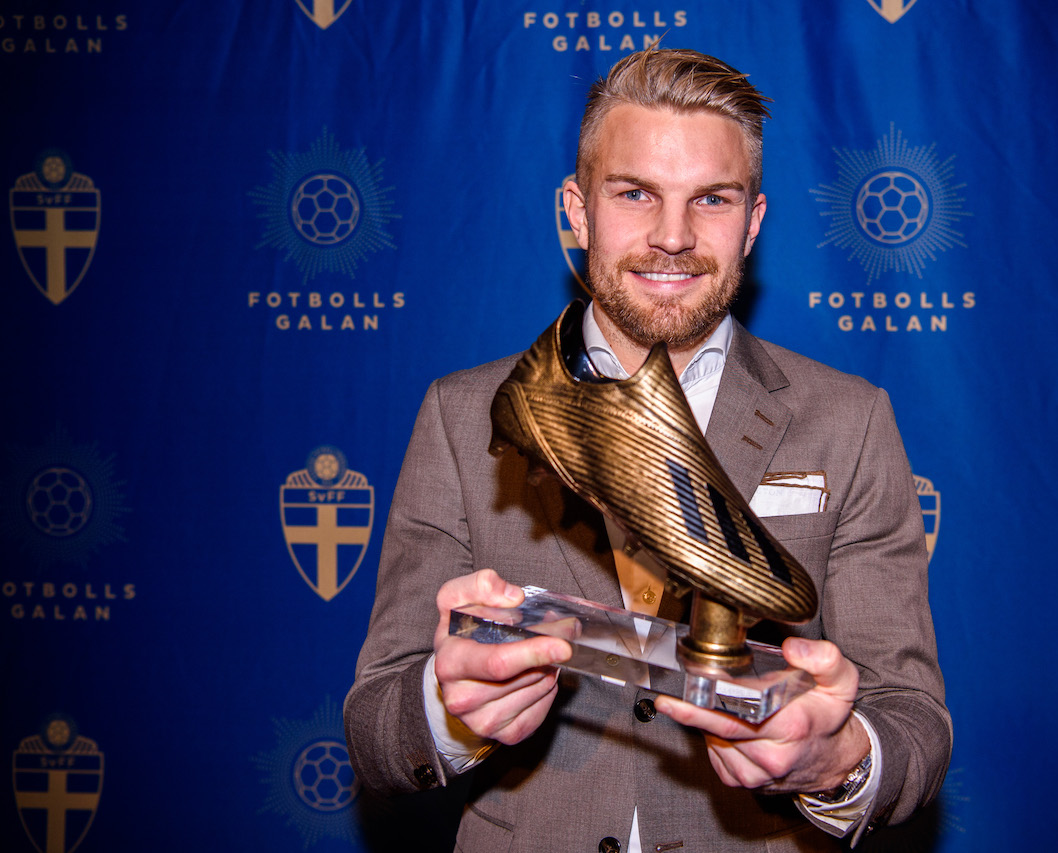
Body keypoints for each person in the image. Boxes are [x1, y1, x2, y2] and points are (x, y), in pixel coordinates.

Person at [345, 46, 950, 852]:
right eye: (635, 193)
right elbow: (377, 725)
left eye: (712, 199)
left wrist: (836, 757)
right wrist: (449, 707)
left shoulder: (850, 419)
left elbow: (913, 720)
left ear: (754, 222)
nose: (673, 236)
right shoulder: (463, 417)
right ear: (577, 209)